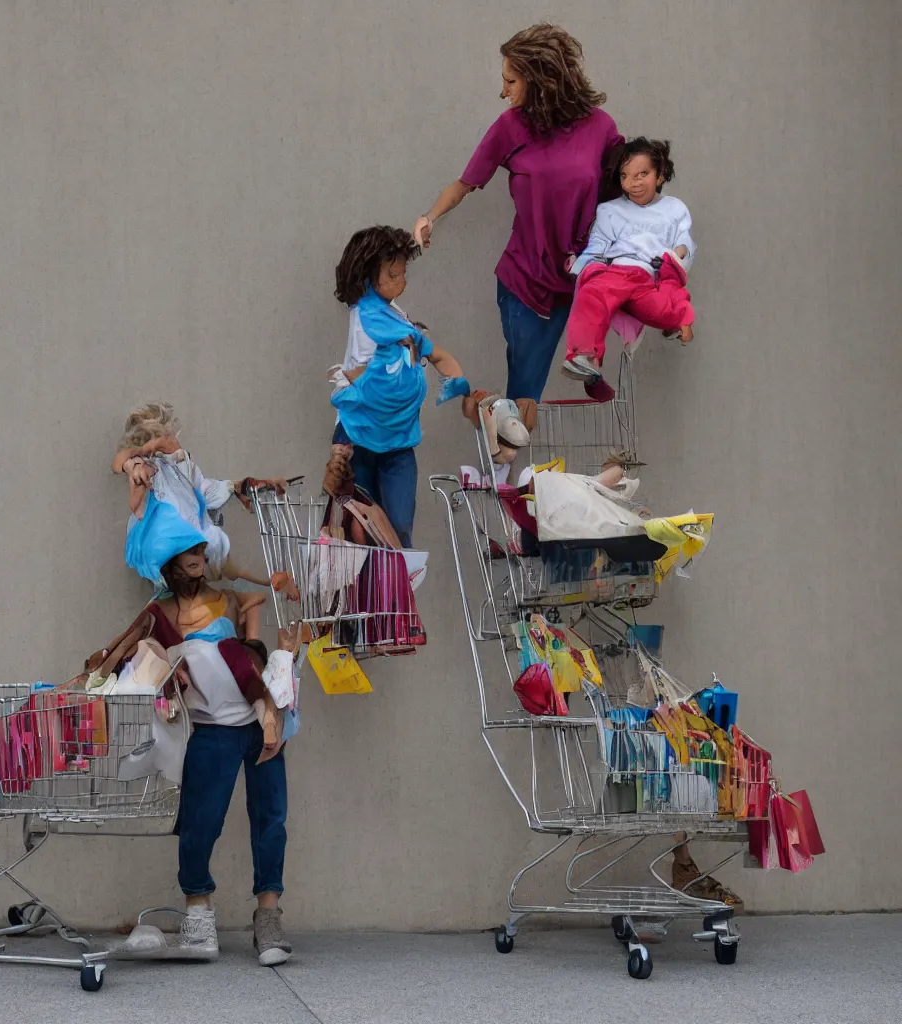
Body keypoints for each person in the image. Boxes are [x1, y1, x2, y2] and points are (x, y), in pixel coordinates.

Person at [412, 24, 624, 402]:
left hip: (583, 276)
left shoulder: (600, 127)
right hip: (526, 280)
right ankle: (503, 457)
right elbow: (464, 184)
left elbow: (624, 187)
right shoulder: (510, 127)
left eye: (510, 81)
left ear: (540, 79)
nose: (503, 91)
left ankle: (587, 375)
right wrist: (431, 217)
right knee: (525, 394)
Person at [154, 544, 301, 965]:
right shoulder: (160, 613)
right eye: (187, 550)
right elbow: (145, 656)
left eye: (201, 548)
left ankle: (268, 918)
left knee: (271, 819)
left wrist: (272, 708)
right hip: (209, 729)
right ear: (168, 561)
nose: (197, 556)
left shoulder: (229, 598)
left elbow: (249, 654)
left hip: (258, 724)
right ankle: (198, 914)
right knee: (200, 822)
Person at [327, 226, 470, 548]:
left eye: (403, 274)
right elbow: (363, 378)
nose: (400, 282)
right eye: (392, 274)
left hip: (398, 441)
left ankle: (397, 587)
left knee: (400, 526)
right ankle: (372, 594)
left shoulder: (396, 317)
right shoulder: (366, 316)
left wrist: (459, 386)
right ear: (368, 277)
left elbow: (428, 354)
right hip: (360, 438)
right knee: (361, 531)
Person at [561, 138, 696, 383]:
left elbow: (684, 241)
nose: (633, 184)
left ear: (660, 174)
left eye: (642, 174)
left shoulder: (674, 209)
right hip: (619, 272)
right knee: (593, 294)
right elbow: (598, 244)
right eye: (625, 176)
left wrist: (681, 252)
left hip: (652, 276)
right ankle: (583, 355)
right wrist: (581, 267)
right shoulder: (610, 210)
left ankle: (679, 321)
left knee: (666, 306)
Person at [112, 401, 283, 588]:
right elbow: (121, 462)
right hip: (173, 549)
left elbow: (202, 488)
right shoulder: (146, 465)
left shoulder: (179, 467)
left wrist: (237, 487)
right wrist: (139, 460)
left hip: (190, 546)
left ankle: (268, 582)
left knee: (219, 560)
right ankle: (266, 583)